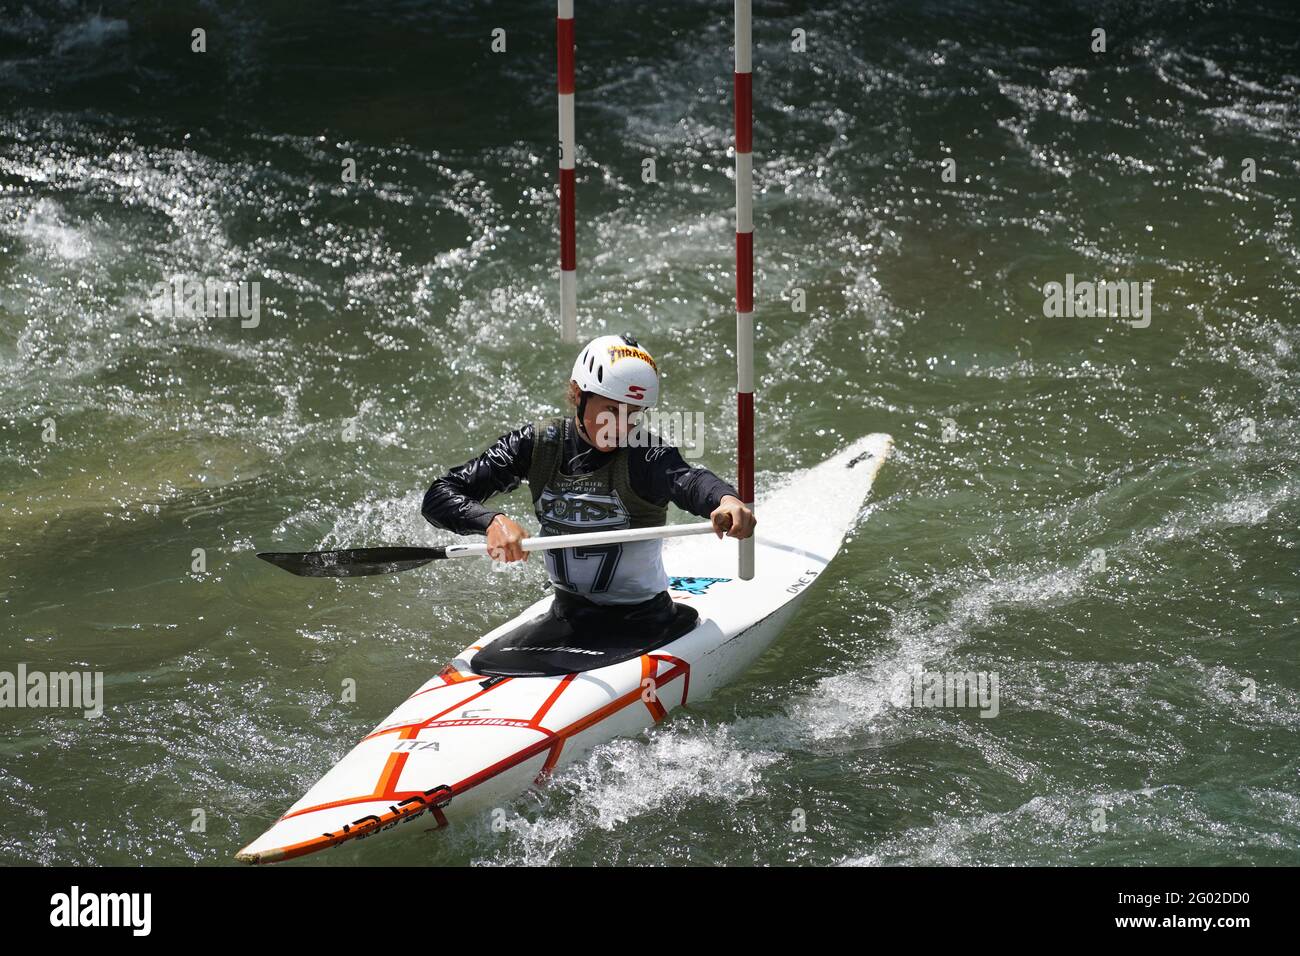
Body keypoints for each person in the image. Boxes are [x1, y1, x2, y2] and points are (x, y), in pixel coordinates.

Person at [421, 332, 756, 643]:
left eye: (632, 414)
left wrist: (726, 499)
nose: (621, 426)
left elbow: (689, 480)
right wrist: (492, 522)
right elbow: (440, 495)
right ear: (578, 395)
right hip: (567, 616)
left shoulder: (645, 454)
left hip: (646, 621)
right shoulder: (536, 444)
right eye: (611, 410)